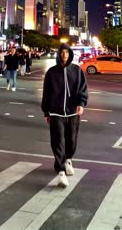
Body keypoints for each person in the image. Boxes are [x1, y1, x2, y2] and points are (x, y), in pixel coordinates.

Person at [41, 43, 88, 188]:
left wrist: (81, 102)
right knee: (57, 141)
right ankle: (61, 171)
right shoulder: (51, 72)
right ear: (58, 54)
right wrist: (46, 111)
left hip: (73, 111)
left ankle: (68, 160)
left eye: (67, 52)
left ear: (70, 54)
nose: (64, 55)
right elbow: (46, 93)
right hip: (55, 112)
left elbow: (82, 88)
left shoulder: (76, 71)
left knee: (71, 139)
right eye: (62, 52)